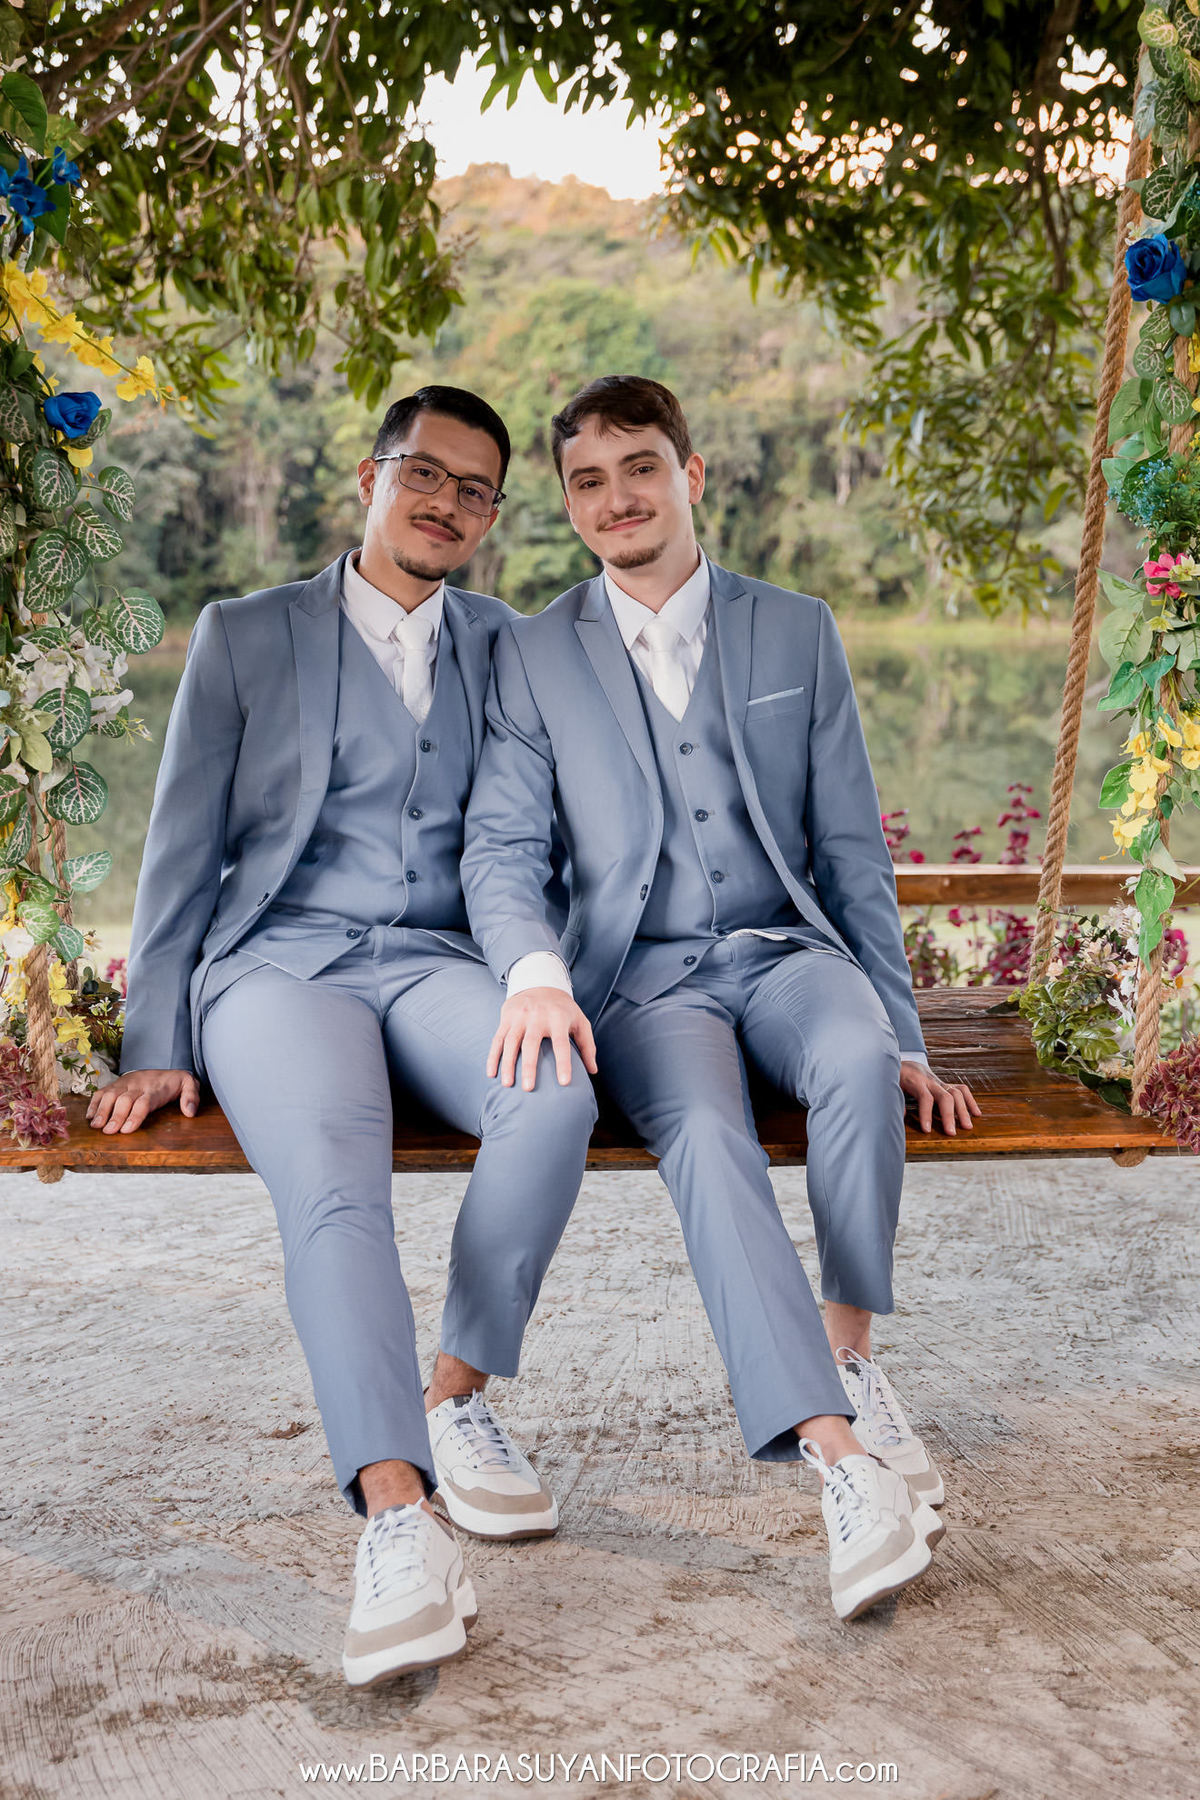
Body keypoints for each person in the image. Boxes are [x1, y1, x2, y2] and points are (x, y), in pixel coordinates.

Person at [87, 386, 598, 1684]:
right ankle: (397, 1518)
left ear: (492, 517)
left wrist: (547, 972)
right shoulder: (245, 634)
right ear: (370, 480)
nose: (446, 504)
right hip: (279, 964)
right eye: (425, 474)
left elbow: (531, 841)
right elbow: (179, 849)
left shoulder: (508, 646)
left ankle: (456, 1394)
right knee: (333, 1181)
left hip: (436, 960)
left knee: (553, 1094)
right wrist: (156, 1037)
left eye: (475, 490)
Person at [461, 375, 980, 1622]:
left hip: (786, 951)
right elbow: (500, 851)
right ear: (570, 505)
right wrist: (535, 974)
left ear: (691, 475)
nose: (617, 499)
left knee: (857, 1061)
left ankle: (850, 1361)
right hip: (643, 981)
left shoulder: (796, 629)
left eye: (640, 467)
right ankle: (836, 1461)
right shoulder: (534, 651)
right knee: (706, 1132)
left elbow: (850, 853)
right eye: (588, 481)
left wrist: (904, 1032)